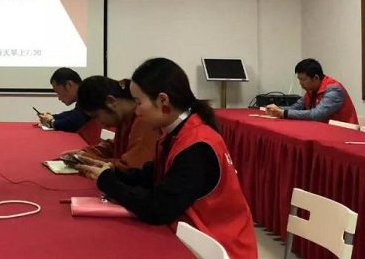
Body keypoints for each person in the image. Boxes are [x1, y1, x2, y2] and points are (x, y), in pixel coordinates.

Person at [77, 58, 258, 259]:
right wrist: (113, 173)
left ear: (163, 100)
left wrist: (108, 182)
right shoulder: (178, 132)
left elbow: (158, 210)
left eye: (139, 102)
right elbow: (155, 176)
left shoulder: (197, 145)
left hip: (217, 246)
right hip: (196, 237)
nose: (136, 111)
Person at [62, 76, 160, 170]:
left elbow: (131, 168)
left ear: (111, 101)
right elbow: (114, 148)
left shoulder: (143, 120)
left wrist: (89, 160)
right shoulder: (124, 118)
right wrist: (83, 153)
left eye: (97, 116)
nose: (99, 123)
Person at [265, 58, 358, 123]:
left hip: (344, 134)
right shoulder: (312, 90)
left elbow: (316, 115)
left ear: (315, 78)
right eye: (299, 80)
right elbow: (295, 108)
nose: (300, 83)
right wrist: (276, 109)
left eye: (303, 80)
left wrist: (283, 113)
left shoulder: (334, 90)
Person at [36, 67, 90, 132]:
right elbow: (72, 114)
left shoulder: (88, 97)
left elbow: (71, 123)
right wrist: (53, 117)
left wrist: (51, 122)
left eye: (58, 92)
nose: (59, 98)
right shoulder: (83, 96)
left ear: (69, 85)